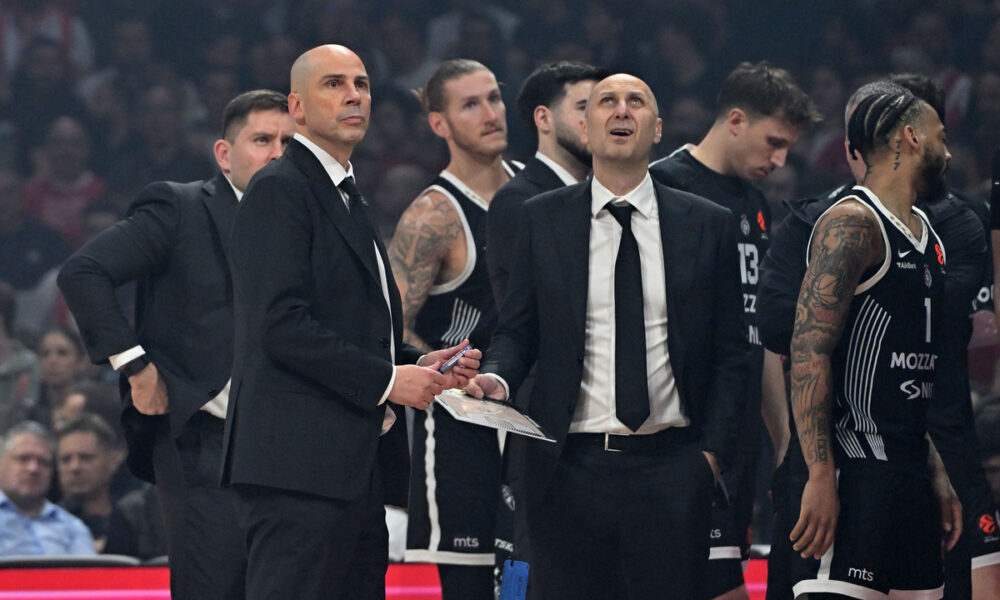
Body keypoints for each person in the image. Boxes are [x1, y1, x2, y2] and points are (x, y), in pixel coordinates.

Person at [466, 73, 748, 600]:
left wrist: (710, 458)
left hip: (673, 468)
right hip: (567, 468)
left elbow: (732, 354)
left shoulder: (708, 224)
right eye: (606, 102)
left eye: (636, 101)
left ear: (657, 128)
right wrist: (497, 379)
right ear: (586, 129)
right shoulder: (540, 218)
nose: (621, 111)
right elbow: (518, 330)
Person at [221, 45, 481, 600]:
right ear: (296, 107)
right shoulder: (279, 187)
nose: (353, 95)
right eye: (334, 84)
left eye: (361, 84)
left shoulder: (344, 193)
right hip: (296, 470)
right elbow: (280, 324)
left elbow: (352, 327)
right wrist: (389, 381)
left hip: (349, 467)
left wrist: (417, 363)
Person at [760, 76, 1000, 600]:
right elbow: (808, 350)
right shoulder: (851, 222)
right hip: (854, 470)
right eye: (940, 137)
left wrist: (934, 466)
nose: (948, 153)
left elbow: (914, 374)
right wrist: (819, 475)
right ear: (910, 137)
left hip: (911, 469)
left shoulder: (928, 235)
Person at [57, 89, 295, 600]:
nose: (278, 153)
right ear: (224, 154)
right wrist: (136, 367)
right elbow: (84, 271)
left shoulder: (309, 223)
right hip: (204, 442)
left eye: (289, 143)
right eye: (262, 140)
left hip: (291, 445)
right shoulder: (181, 207)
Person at [648, 61, 821, 600]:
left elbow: (759, 335)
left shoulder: (755, 204)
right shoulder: (662, 185)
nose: (780, 160)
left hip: (739, 440)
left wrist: (785, 439)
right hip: (682, 438)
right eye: (774, 143)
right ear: (737, 120)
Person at [386, 58, 517, 599]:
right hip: (463, 429)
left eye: (494, 97)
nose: (490, 113)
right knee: (475, 588)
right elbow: (389, 327)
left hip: (534, 415)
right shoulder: (432, 217)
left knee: (532, 582)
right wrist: (446, 366)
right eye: (471, 104)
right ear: (439, 123)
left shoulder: (536, 192)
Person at [486, 60, 608, 307]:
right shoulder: (518, 202)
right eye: (584, 108)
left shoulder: (606, 194)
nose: (600, 121)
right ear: (543, 118)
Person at [0, 420, 95, 556]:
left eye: (43, 462)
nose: (33, 468)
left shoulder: (73, 528)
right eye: (23, 459)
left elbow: (89, 569)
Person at [56, 413, 124, 552]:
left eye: (85, 458)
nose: (75, 467)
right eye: (66, 459)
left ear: (113, 460)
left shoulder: (134, 519)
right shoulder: (49, 523)